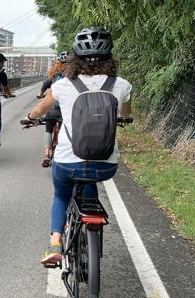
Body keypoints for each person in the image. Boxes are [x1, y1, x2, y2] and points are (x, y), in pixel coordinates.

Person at [22, 27, 132, 265]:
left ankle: (55, 244)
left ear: (75, 58)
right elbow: (125, 115)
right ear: (109, 56)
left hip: (66, 162)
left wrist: (30, 118)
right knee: (90, 179)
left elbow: (39, 109)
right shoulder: (122, 85)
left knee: (61, 196)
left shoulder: (62, 85)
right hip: (106, 165)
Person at [41, 51, 68, 167]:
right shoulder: (75, 76)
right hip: (69, 111)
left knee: (48, 126)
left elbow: (45, 84)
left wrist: (40, 93)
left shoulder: (55, 76)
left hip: (55, 110)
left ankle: (47, 154)